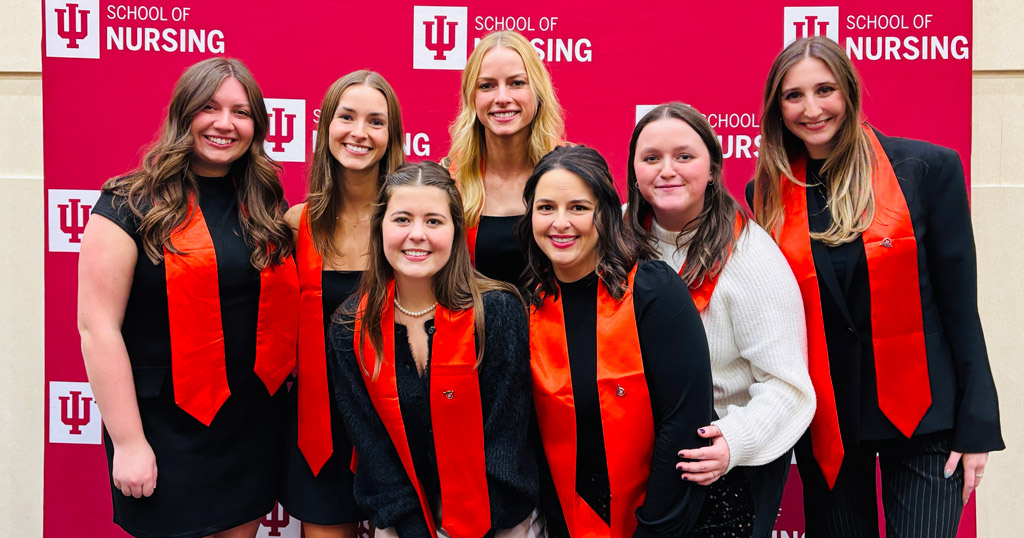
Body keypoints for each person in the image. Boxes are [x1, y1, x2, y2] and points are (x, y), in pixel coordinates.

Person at [750, 36, 1004, 537]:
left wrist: (977, 426)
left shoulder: (929, 169)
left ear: (849, 91)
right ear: (776, 109)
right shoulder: (766, 196)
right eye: (793, 95)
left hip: (928, 419)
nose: (812, 108)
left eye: (825, 90)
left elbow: (960, 306)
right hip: (830, 426)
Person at [77, 58, 298, 538]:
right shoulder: (127, 205)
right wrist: (129, 442)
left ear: (256, 125)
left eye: (241, 112)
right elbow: (98, 329)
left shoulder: (265, 204)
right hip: (162, 429)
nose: (224, 123)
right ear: (184, 114)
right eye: (209, 108)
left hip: (249, 425)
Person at [625, 103, 816, 538]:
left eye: (685, 156)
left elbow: (788, 388)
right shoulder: (613, 236)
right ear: (634, 170)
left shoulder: (752, 258)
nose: (666, 170)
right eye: (651, 158)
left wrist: (733, 442)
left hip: (722, 467)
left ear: (712, 167)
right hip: (635, 456)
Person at [518, 145, 722, 537]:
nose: (560, 223)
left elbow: (683, 424)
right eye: (545, 208)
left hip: (660, 521)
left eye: (578, 207)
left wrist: (654, 530)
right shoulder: (527, 303)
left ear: (606, 213)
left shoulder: (654, 292)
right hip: (566, 521)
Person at [328, 162, 538, 537]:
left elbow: (506, 441)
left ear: (457, 231)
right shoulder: (350, 328)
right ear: (380, 229)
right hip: (405, 525)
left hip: (497, 523)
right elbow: (373, 450)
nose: (417, 235)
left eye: (434, 221)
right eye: (402, 219)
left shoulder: (498, 312)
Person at [279, 70, 405, 538]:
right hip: (321, 425)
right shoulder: (297, 224)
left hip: (397, 418)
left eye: (375, 121)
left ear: (391, 135)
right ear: (325, 126)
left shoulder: (409, 223)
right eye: (346, 117)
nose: (359, 132)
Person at [444, 30, 565, 284]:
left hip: (560, 323)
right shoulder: (449, 180)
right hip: (476, 321)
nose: (502, 98)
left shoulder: (572, 172)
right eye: (486, 85)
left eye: (517, 83)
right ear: (471, 97)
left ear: (538, 90)